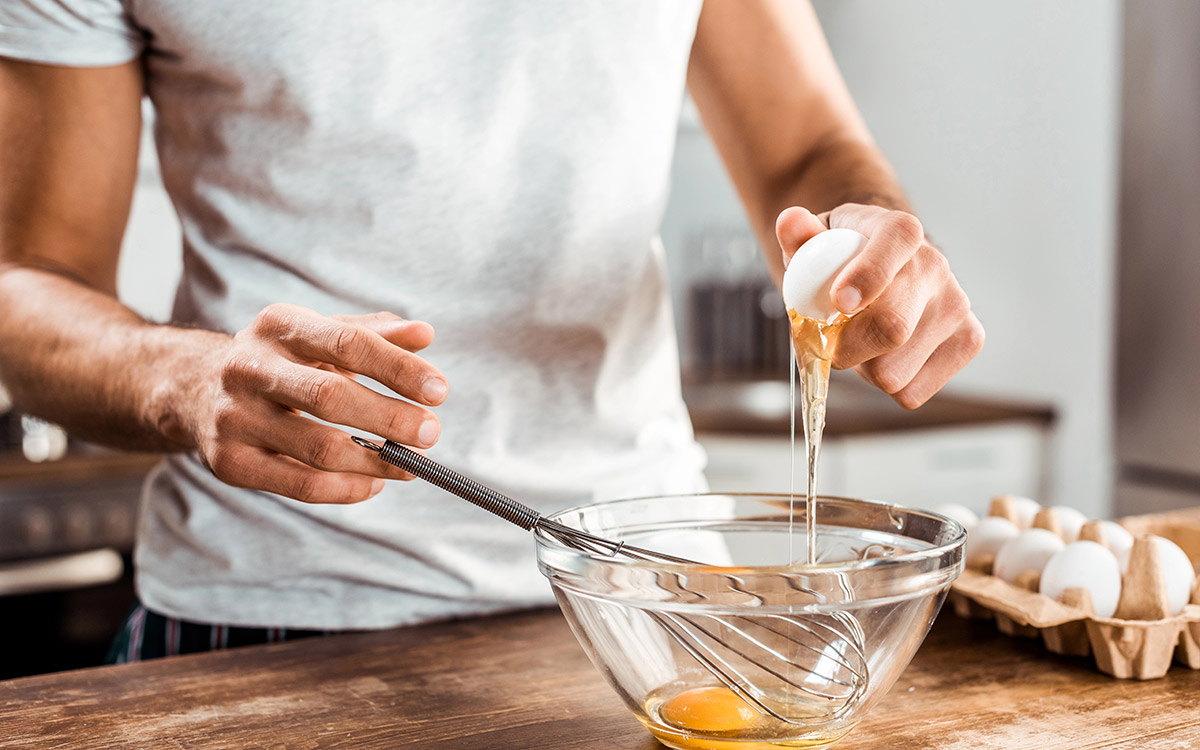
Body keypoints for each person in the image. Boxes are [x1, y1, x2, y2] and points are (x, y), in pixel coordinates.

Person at [0, 0, 983, 660]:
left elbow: (807, 145)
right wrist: (181, 377)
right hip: (270, 609)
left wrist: (862, 232)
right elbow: (28, 280)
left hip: (649, 602)